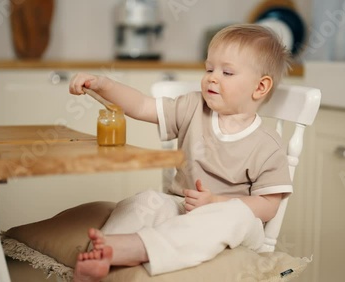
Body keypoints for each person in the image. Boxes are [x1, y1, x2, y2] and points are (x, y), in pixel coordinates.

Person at [69, 23, 292, 282]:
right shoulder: (193, 107)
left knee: (234, 215)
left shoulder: (267, 144)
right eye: (209, 68)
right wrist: (103, 84)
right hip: (182, 206)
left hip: (235, 226)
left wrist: (215, 203)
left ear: (260, 87)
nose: (212, 77)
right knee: (147, 200)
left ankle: (138, 248)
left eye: (227, 72)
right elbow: (141, 105)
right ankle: (106, 250)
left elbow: (268, 207)